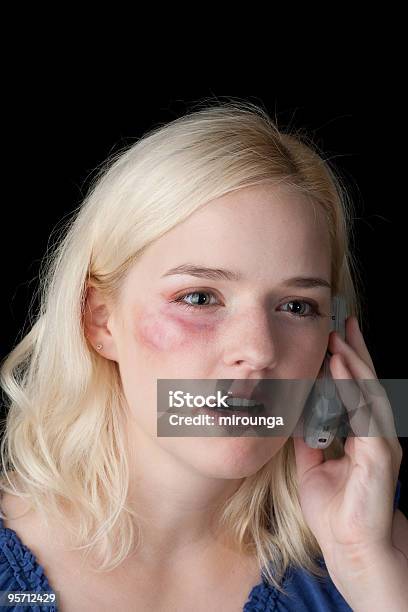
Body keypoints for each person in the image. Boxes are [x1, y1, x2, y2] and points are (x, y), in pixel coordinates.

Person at [0, 100, 406, 611]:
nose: (258, 351)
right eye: (198, 297)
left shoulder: (369, 550)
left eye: (297, 306)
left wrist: (368, 569)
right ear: (99, 320)